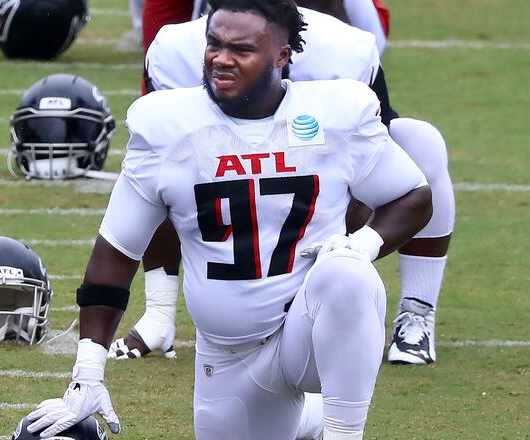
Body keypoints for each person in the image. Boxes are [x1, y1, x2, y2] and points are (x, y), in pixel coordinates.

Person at [26, 0, 432, 438]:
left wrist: (362, 245)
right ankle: (309, 422)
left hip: (311, 335)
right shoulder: (168, 124)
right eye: (214, 45)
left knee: (348, 276)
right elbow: (116, 252)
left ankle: (342, 432)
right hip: (229, 357)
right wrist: (89, 370)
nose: (221, 59)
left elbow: (413, 195)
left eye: (241, 49)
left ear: (282, 55)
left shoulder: (333, 111)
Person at [112, 3, 455, 367]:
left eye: (243, 48)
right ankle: (159, 315)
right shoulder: (174, 48)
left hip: (317, 181)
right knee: (161, 167)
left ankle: (416, 311)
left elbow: (373, 158)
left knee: (420, 141)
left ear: (284, 52)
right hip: (217, 182)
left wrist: (352, 248)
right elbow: (156, 158)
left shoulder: (341, 49)